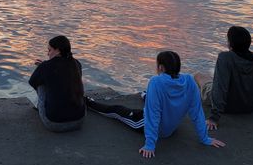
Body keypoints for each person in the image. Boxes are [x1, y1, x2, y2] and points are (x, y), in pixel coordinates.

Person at [87, 50, 225, 158]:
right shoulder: (189, 81)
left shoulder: (156, 82)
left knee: (117, 110)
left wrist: (150, 145)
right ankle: (145, 95)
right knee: (153, 98)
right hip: (172, 126)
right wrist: (204, 138)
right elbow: (196, 112)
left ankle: (87, 102)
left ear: (161, 67)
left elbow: (153, 116)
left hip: (154, 127)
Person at [28, 35, 86, 132]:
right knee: (71, 81)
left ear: (58, 50)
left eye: (49, 50)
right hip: (79, 120)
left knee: (40, 83)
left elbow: (32, 82)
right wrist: (45, 67)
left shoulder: (45, 67)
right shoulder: (76, 63)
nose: (48, 53)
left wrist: (41, 68)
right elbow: (60, 71)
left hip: (54, 124)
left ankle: (40, 107)